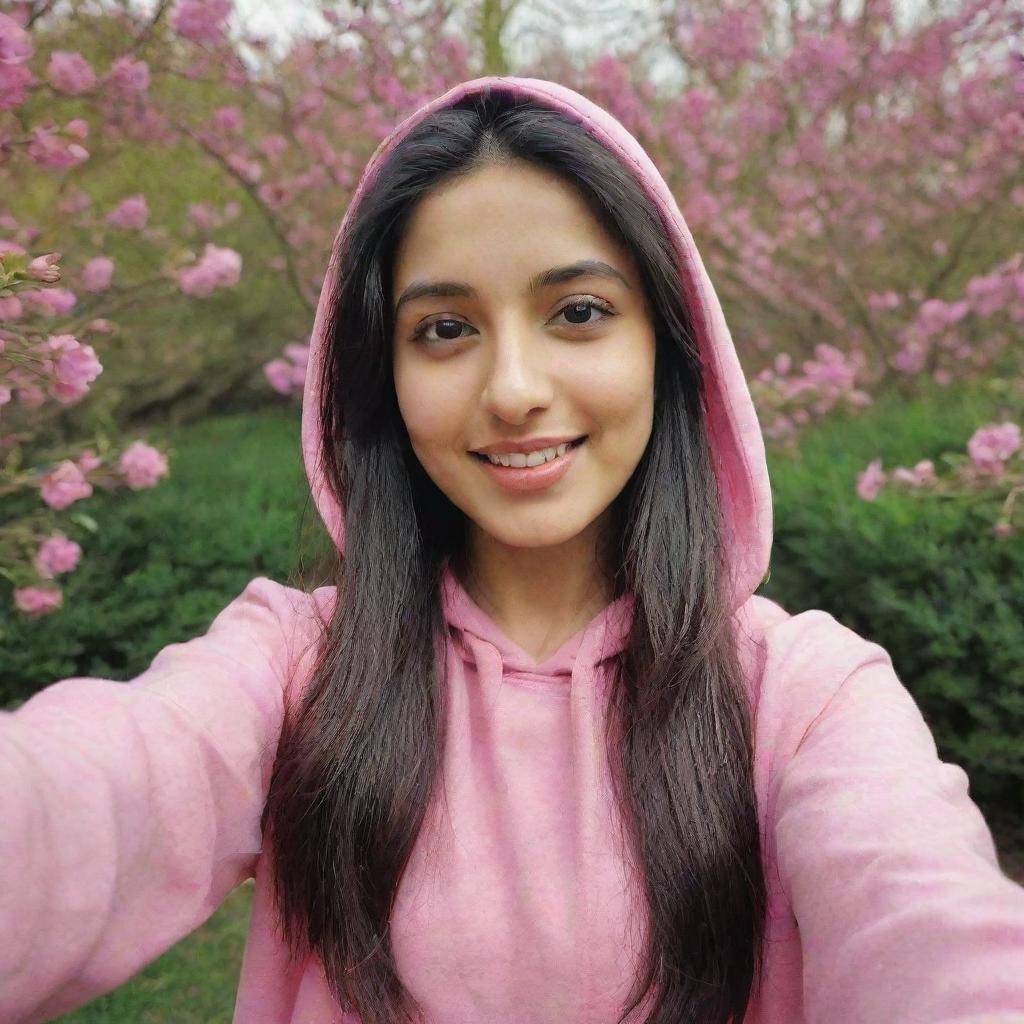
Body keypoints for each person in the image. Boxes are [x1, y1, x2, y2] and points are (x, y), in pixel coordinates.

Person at [1, 76, 1022, 1024]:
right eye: (444, 329)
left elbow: (923, 917)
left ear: (670, 351)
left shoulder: (801, 697)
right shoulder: (297, 669)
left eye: (578, 312)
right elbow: (90, 797)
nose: (513, 389)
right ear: (382, 376)